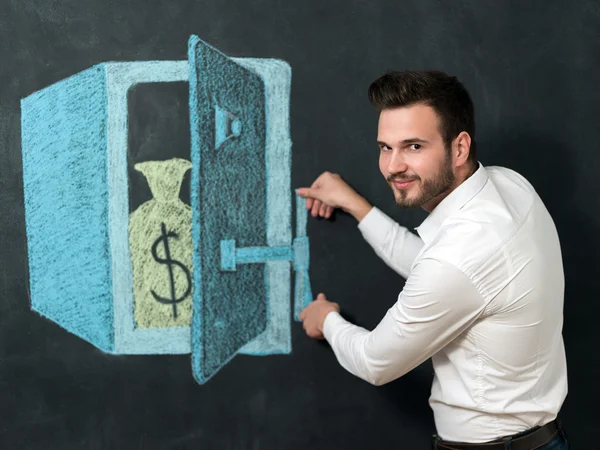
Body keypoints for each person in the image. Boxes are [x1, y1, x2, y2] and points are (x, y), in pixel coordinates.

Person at [297, 71, 569, 449]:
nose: (393, 166)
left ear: (459, 148)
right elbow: (444, 273)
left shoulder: (459, 257)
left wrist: (325, 319)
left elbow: (376, 362)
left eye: (413, 147)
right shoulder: (508, 185)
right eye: (385, 147)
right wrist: (358, 207)